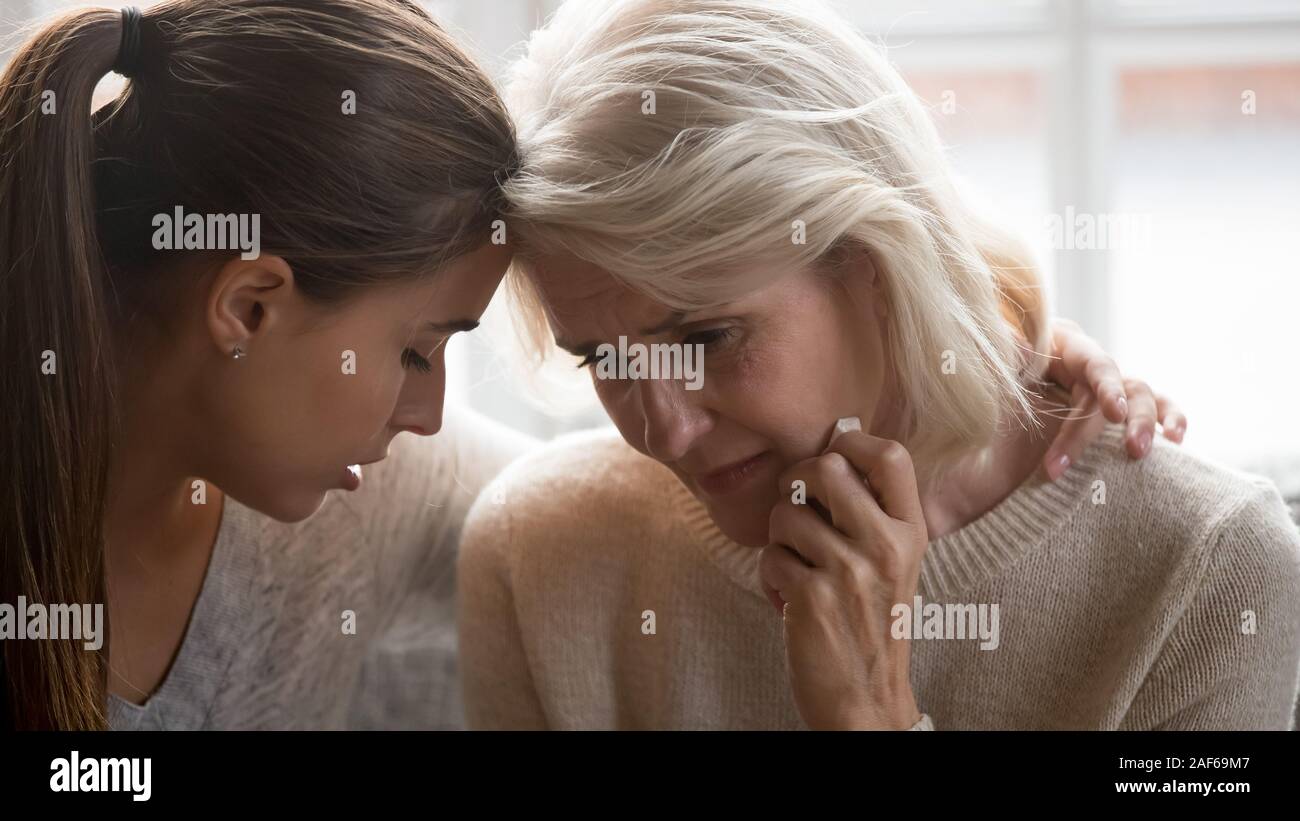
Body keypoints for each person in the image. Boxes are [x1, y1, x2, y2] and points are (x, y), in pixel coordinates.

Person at [457, 0, 1298, 730]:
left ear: (876, 264)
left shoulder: (1212, 579)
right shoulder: (539, 556)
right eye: (602, 357)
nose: (663, 429)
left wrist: (872, 716)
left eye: (709, 338)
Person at [0, 0, 523, 730]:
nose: (429, 418)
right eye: (414, 353)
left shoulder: (373, 494)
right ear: (249, 308)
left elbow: (621, 517)